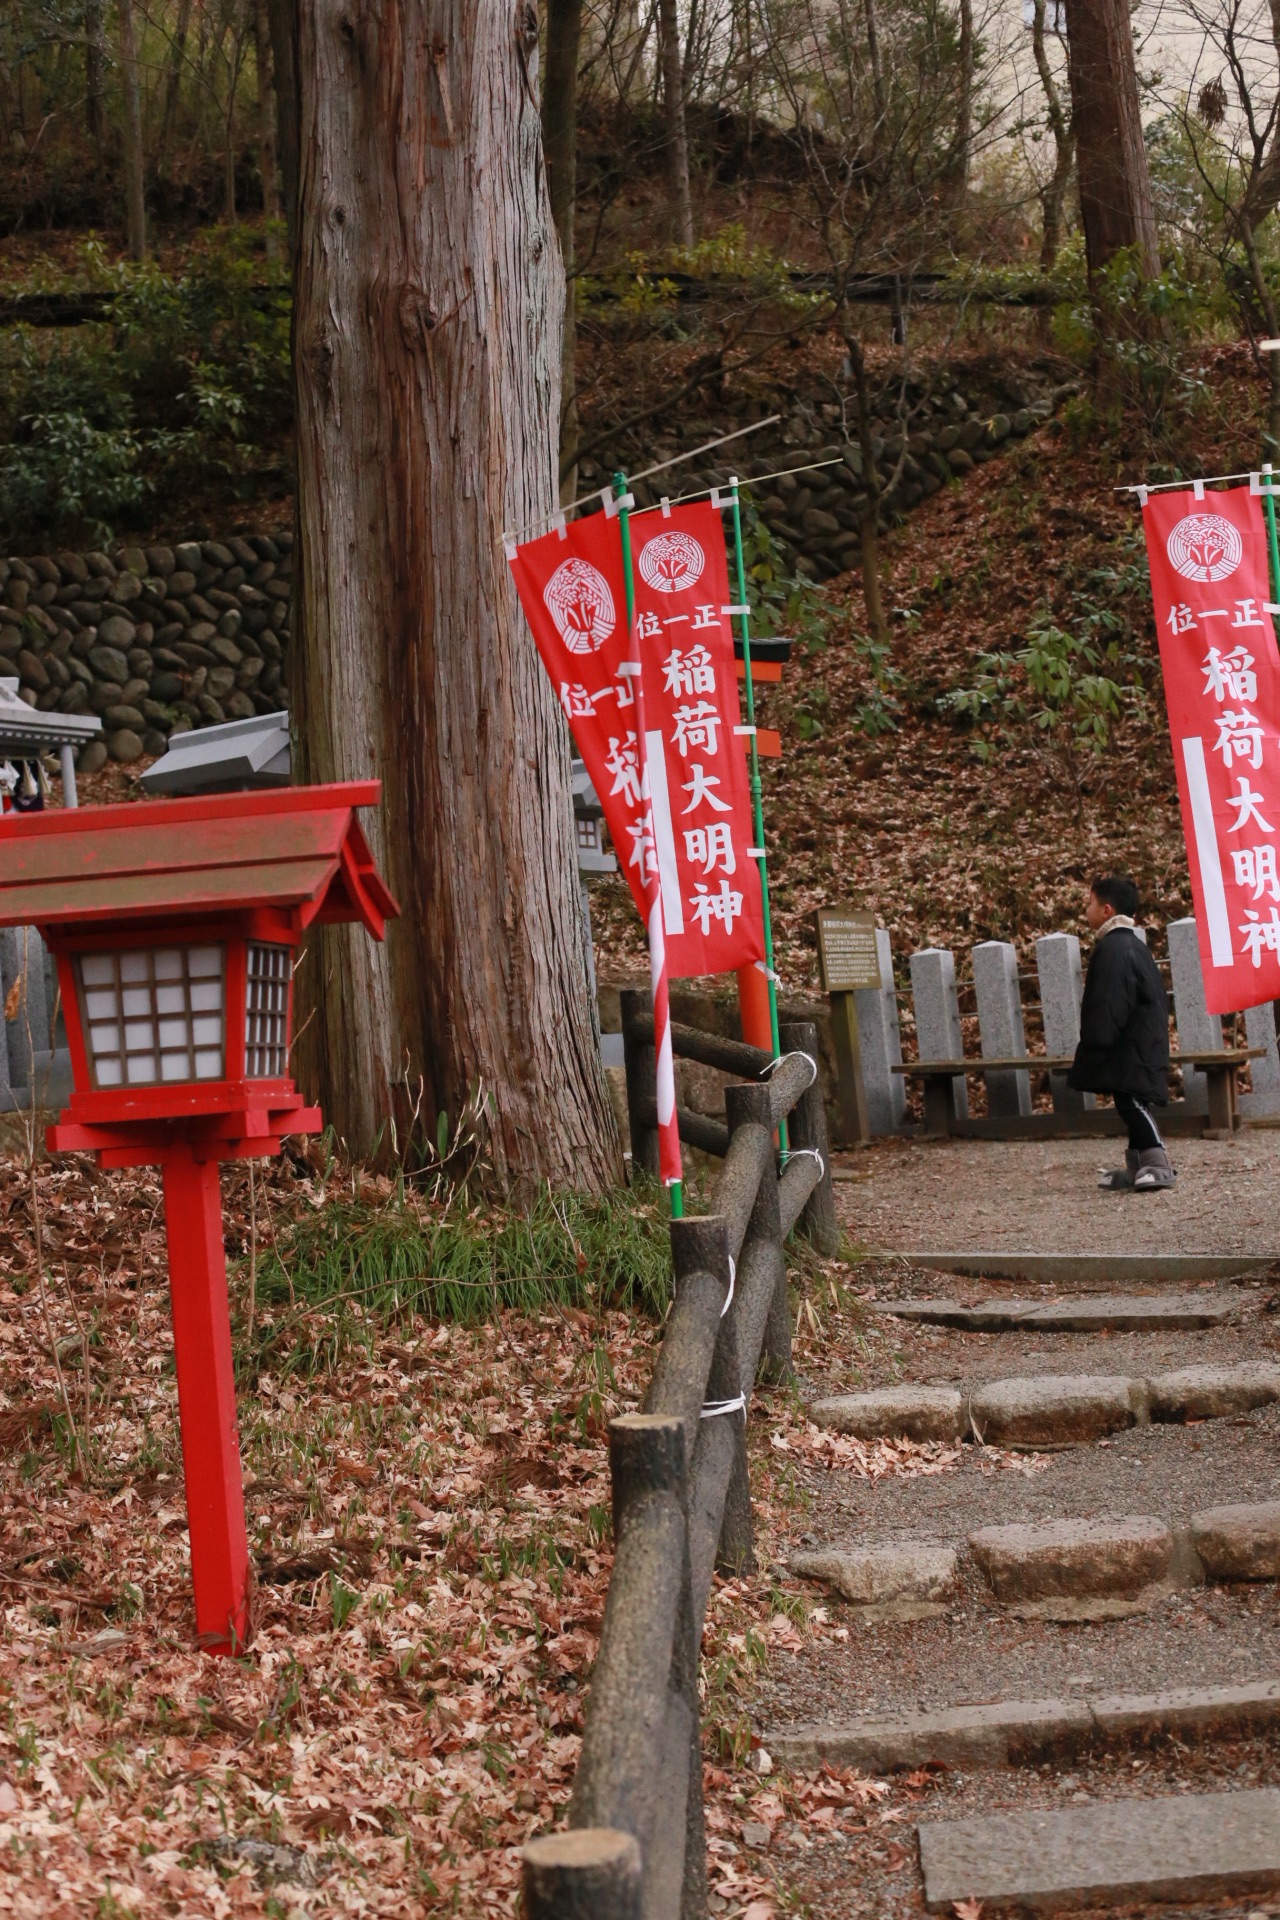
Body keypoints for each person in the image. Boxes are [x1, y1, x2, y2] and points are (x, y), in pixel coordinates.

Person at [1068, 875, 1175, 1191]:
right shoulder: (1130, 944)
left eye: (1090, 903)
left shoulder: (1116, 948)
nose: (1086, 909)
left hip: (1130, 1045)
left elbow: (1109, 1001)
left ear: (1106, 910)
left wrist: (1096, 1042)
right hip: (1136, 1043)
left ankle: (1159, 1164)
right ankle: (1139, 1166)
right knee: (1129, 1102)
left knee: (1132, 1103)